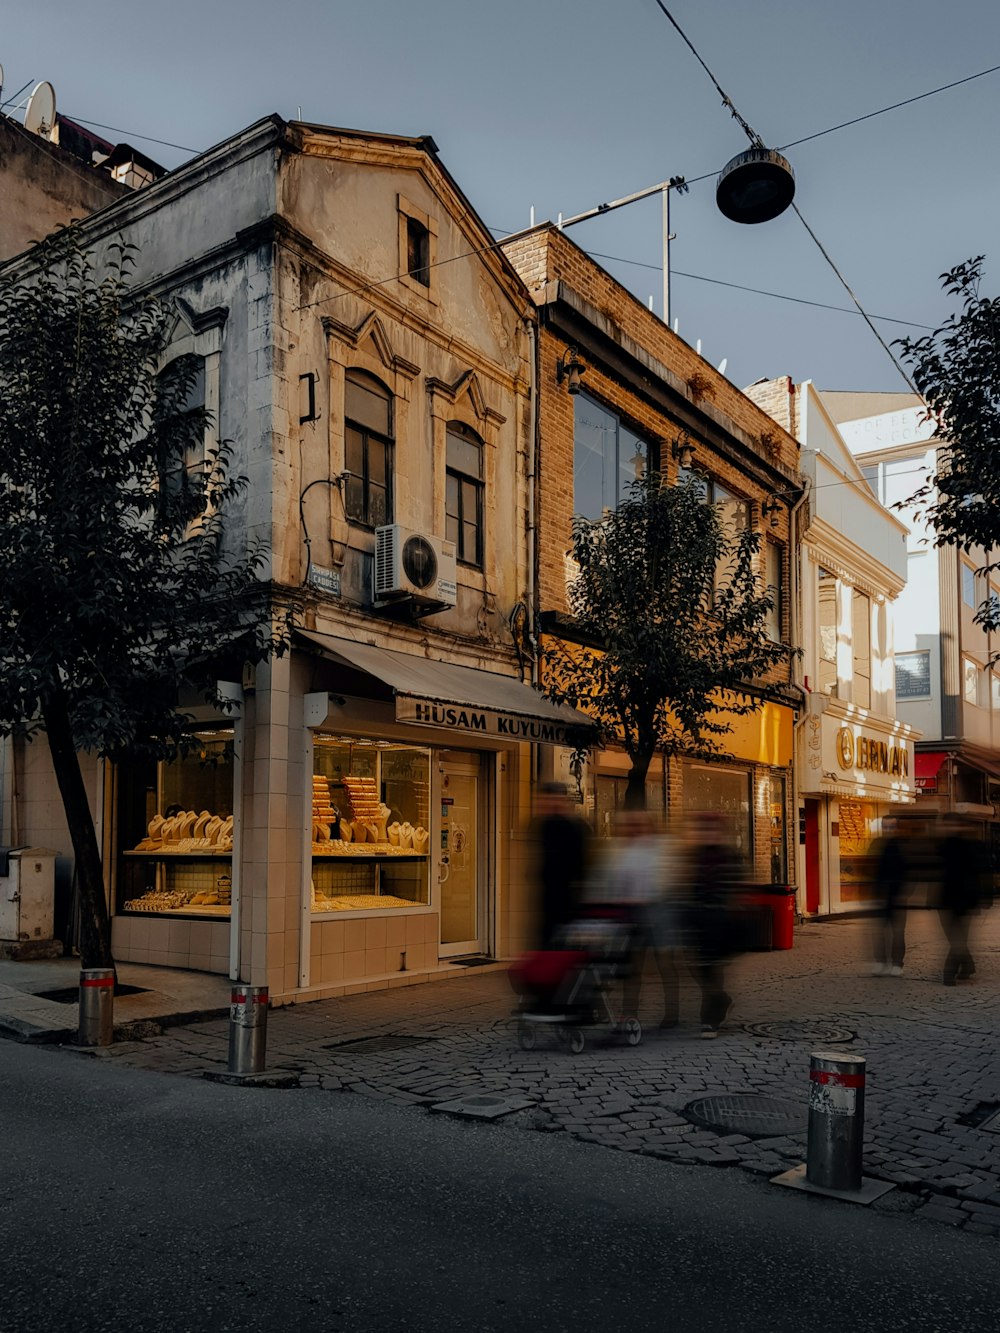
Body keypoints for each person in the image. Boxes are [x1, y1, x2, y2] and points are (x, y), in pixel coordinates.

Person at [599, 806, 679, 1029]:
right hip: (631, 913)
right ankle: (629, 1013)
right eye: (630, 824)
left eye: (639, 824)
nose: (634, 828)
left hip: (658, 910)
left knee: (664, 963)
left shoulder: (661, 847)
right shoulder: (620, 849)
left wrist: (652, 893)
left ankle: (672, 1013)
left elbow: (668, 876)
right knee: (632, 965)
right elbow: (612, 879)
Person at [682, 811, 744, 1039]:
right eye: (702, 829)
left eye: (710, 829)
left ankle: (709, 1019)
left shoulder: (729, 856)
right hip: (698, 918)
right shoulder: (694, 856)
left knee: (713, 968)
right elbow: (689, 885)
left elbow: (734, 888)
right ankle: (721, 1000)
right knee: (698, 967)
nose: (705, 833)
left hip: (720, 920)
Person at [529, 782, 590, 950]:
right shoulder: (542, 825)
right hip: (549, 900)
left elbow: (583, 866)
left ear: (563, 800)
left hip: (570, 900)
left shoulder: (577, 827)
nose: (549, 804)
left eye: (554, 799)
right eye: (545, 800)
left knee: (565, 949)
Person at [936, 814, 991, 986]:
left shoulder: (971, 846)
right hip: (946, 899)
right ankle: (968, 966)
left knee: (958, 938)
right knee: (955, 938)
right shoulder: (942, 846)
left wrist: (984, 896)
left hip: (964, 900)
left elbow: (982, 872)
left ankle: (949, 972)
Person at [869, 814, 911, 976]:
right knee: (879, 931)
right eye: (885, 826)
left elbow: (908, 872)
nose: (887, 830)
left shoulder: (903, 846)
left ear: (897, 828)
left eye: (891, 827)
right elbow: (873, 870)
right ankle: (880, 962)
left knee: (897, 932)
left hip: (897, 897)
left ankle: (897, 963)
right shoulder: (877, 844)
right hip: (881, 897)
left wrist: (903, 893)